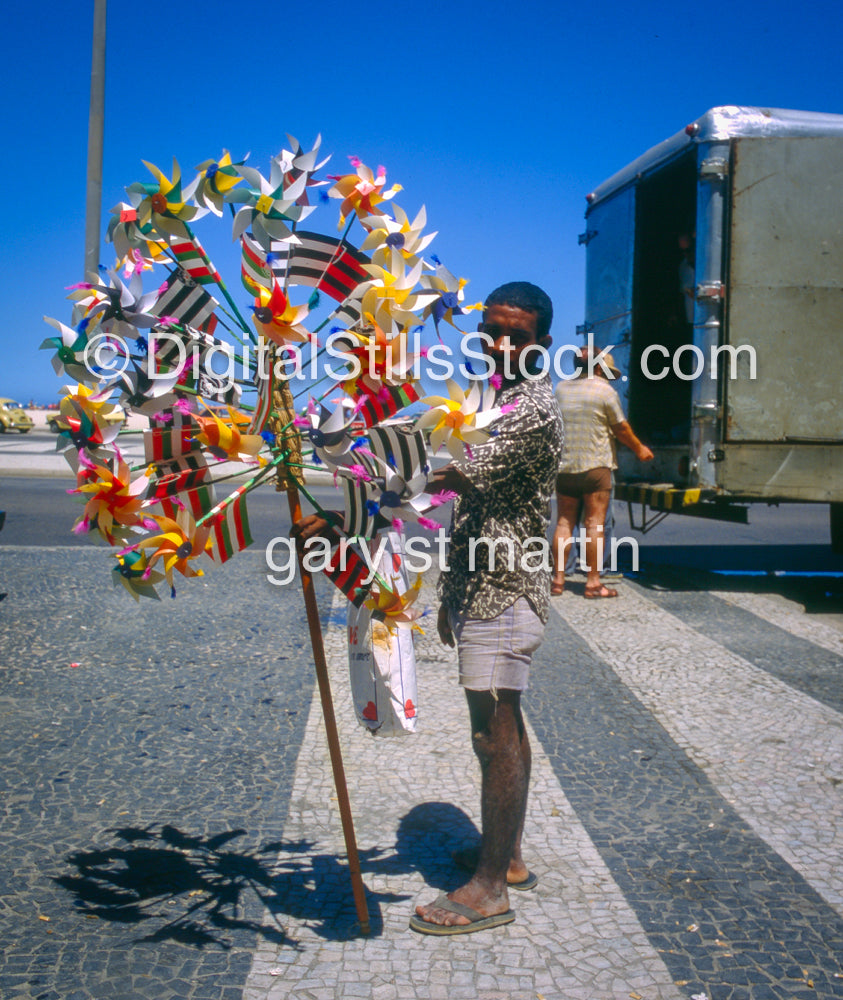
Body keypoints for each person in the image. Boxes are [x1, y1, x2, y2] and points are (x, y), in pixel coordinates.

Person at [409, 281, 564, 935]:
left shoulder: (529, 410)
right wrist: (451, 593)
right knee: (504, 725)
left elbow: (444, 480)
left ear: (541, 345)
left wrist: (339, 465)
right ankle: (510, 857)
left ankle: (488, 887)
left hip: (504, 592)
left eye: (517, 337)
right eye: (491, 331)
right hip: (484, 586)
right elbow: (466, 503)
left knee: (491, 734)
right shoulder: (492, 399)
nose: (501, 346)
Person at [551, 347, 653, 599]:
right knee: (594, 525)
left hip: (564, 468)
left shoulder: (561, 389)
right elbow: (621, 428)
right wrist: (639, 448)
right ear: (598, 368)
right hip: (595, 466)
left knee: (564, 522)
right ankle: (593, 583)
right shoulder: (605, 391)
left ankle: (558, 580)